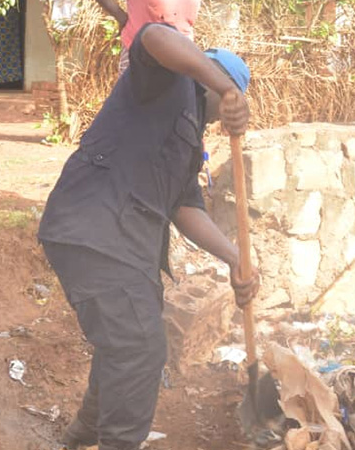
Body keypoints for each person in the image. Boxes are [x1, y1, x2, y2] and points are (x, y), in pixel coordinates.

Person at [37, 23, 259, 450]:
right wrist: (225, 88)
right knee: (139, 349)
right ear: (216, 79)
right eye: (221, 103)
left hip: (125, 245)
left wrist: (235, 258)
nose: (216, 119)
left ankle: (82, 434)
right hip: (95, 228)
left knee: (124, 342)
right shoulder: (165, 79)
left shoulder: (191, 140)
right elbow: (154, 35)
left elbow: (185, 207)